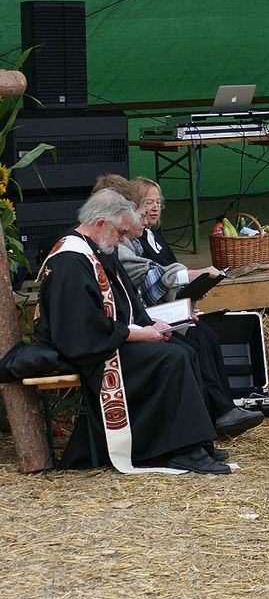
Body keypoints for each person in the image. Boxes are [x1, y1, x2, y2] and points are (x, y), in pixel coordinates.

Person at [32, 189, 230, 474]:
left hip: (108, 339)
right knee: (170, 358)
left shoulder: (99, 249)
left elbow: (128, 307)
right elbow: (82, 329)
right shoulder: (71, 260)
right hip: (89, 352)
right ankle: (179, 449)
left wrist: (160, 323)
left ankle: (193, 443)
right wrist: (141, 334)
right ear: (100, 223)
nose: (123, 239)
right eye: (120, 232)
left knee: (185, 347)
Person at [90, 175, 264, 436]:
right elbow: (150, 279)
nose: (150, 212)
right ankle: (208, 418)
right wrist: (186, 283)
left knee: (205, 335)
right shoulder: (112, 246)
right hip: (136, 325)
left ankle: (222, 409)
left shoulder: (143, 239)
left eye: (157, 203)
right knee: (187, 345)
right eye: (145, 206)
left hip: (147, 317)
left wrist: (186, 297)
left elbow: (156, 278)